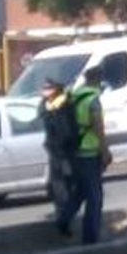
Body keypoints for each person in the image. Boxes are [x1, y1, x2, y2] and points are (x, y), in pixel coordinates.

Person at [57, 65, 112, 244]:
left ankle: (63, 220)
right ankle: (90, 237)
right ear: (98, 80)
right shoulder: (93, 100)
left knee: (80, 192)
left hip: (74, 151)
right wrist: (105, 151)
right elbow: (98, 127)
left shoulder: (74, 95)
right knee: (95, 198)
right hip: (89, 153)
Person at [39, 78, 77, 219]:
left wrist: (62, 146)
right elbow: (42, 112)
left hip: (64, 151)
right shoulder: (49, 105)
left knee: (63, 182)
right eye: (44, 89)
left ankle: (65, 212)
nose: (45, 92)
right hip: (55, 150)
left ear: (56, 90)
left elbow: (66, 131)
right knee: (56, 184)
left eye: (48, 89)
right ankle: (63, 210)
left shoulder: (63, 106)